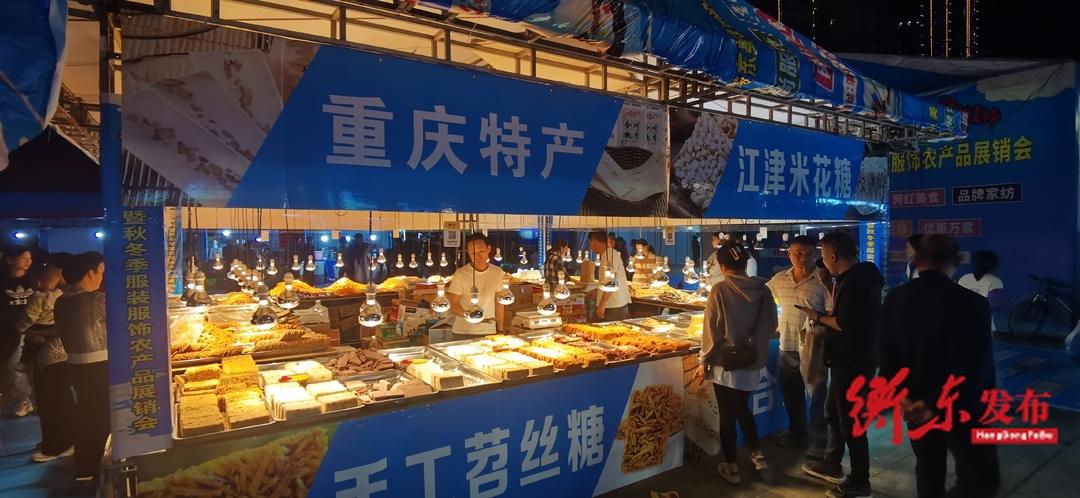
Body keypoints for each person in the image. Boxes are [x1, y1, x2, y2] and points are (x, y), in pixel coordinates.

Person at [880, 234, 1000, 498]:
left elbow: (887, 353)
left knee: (928, 467)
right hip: (962, 407)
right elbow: (975, 365)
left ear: (917, 259)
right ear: (956, 261)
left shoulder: (895, 298)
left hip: (914, 405)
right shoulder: (974, 304)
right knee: (979, 475)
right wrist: (934, 403)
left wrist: (902, 397)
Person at [800, 232, 883, 498]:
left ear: (833, 255)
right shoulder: (856, 278)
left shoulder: (857, 282)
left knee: (851, 422)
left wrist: (817, 317)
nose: (823, 262)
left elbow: (843, 322)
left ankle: (860, 481)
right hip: (845, 360)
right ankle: (832, 461)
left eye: (823, 256)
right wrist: (829, 284)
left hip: (854, 362)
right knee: (833, 413)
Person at [697, 240, 774, 484]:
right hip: (753, 362)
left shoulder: (719, 290)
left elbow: (711, 332)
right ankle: (758, 455)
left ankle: (731, 468)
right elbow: (772, 325)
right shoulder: (764, 290)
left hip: (726, 365)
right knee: (742, 408)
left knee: (728, 415)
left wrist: (703, 360)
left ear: (722, 266)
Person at [766, 236, 829, 451]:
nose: (802, 258)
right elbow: (763, 296)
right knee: (792, 396)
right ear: (789, 254)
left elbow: (832, 314)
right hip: (787, 346)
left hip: (813, 349)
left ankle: (820, 441)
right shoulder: (779, 279)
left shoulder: (824, 282)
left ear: (816, 254)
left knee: (818, 397)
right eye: (797, 253)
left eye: (808, 253)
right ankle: (797, 433)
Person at [54, 251, 108, 482]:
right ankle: (100, 465)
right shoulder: (96, 301)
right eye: (100, 272)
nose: (101, 278)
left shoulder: (61, 301)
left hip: (75, 365)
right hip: (100, 365)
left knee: (86, 412)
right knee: (101, 416)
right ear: (90, 272)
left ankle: (85, 464)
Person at [16, 258, 75, 463]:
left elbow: (26, 322)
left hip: (54, 357)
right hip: (51, 357)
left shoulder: (60, 298)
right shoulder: (61, 297)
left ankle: (58, 445)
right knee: (52, 400)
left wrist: (30, 331)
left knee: (53, 401)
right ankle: (58, 440)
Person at [446, 234, 506, 339]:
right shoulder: (461, 274)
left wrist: (500, 329)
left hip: (489, 330)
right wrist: (470, 316)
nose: (477, 256)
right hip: (463, 332)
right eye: (472, 253)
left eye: (481, 251)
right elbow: (453, 304)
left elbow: (499, 303)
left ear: (488, 249)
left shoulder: (497, 272)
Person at [0, 244, 35, 417]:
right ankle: (23, 399)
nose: (28, 261)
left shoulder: (33, 280)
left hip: (33, 329)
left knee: (21, 366)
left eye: (30, 258)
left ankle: (27, 400)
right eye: (23, 258)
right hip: (9, 331)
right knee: (13, 366)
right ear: (10, 260)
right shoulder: (3, 282)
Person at [957, 251, 1006, 332]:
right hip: (983, 327)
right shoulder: (994, 281)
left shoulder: (964, 278)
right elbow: (998, 304)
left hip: (962, 325)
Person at [590, 231, 630, 321]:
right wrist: (596, 291)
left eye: (590, 244)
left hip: (613, 305)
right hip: (613, 304)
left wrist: (602, 305)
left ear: (594, 242)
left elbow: (611, 282)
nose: (591, 248)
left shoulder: (609, 255)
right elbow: (607, 281)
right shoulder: (607, 254)